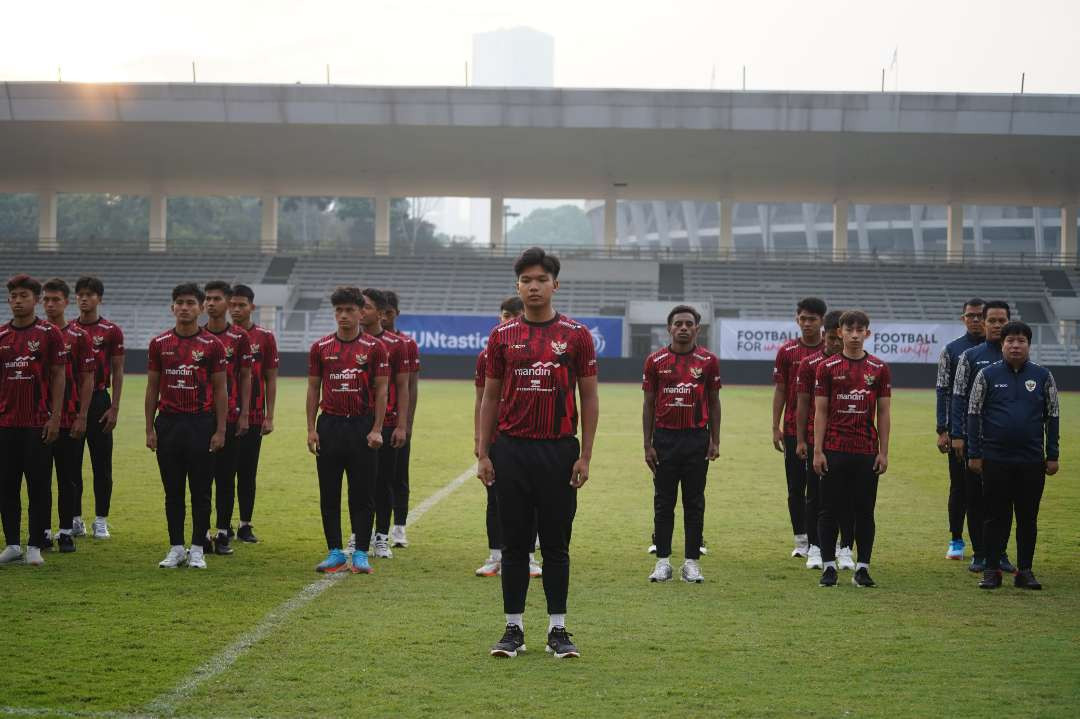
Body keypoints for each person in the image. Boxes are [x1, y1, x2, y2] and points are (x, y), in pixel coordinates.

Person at [478, 247, 599, 660]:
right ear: (518, 286)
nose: (533, 286)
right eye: (526, 280)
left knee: (556, 546)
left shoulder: (577, 335)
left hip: (558, 450)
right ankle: (513, 628)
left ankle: (558, 630)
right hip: (511, 451)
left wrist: (585, 455)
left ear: (555, 284)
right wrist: (484, 453)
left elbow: (590, 396)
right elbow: (490, 397)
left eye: (541, 280)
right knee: (514, 546)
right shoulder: (501, 336)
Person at [967, 321, 1059, 590]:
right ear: (1003, 344)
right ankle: (992, 570)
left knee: (1028, 518)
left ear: (1028, 345)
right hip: (995, 459)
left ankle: (1025, 571)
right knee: (995, 517)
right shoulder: (987, 375)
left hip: (1031, 461)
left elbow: (1052, 416)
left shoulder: (1043, 376)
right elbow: (973, 415)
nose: (1015, 345)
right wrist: (974, 453)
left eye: (1021, 341)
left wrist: (1052, 454)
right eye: (1010, 341)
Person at [145, 283, 228, 570]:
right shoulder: (159, 344)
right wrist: (149, 428)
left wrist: (220, 430)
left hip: (200, 424)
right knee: (173, 491)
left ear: (201, 307)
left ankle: (197, 549)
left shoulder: (213, 346)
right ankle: (176, 547)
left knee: (202, 490)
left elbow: (220, 390)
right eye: (179, 302)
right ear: (172, 307)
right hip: (168, 423)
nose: (184, 307)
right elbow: (152, 387)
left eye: (190, 303)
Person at [306, 287, 388, 575]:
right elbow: (313, 387)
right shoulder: (321, 347)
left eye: (349, 310)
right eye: (338, 310)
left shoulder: (375, 348)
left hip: (361, 426)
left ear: (360, 312)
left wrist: (377, 428)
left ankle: (361, 553)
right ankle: (334, 551)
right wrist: (310, 429)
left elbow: (381, 391)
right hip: (329, 425)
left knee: (362, 494)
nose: (344, 315)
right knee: (329, 492)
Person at [642, 305, 721, 584]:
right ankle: (662, 562)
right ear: (670, 328)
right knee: (663, 503)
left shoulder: (708, 361)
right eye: (679, 324)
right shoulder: (655, 360)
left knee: (694, 502)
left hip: (696, 439)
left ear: (697, 329)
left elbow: (713, 401)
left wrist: (715, 439)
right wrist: (647, 444)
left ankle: (691, 563)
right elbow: (649, 403)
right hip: (664, 439)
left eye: (689, 324)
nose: (684, 328)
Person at [813, 310, 891, 588]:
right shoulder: (827, 368)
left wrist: (883, 451)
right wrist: (818, 450)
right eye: (850, 330)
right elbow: (820, 411)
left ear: (867, 333)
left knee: (864, 510)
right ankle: (829, 567)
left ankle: (863, 568)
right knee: (828, 510)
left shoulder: (879, 368)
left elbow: (883, 412)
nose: (855, 335)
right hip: (834, 449)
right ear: (840, 333)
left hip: (866, 451)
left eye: (861, 330)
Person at [473, 296, 541, 579]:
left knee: (532, 500)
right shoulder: (488, 355)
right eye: (504, 315)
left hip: (531, 438)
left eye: (514, 315)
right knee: (496, 499)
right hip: (498, 439)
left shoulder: (539, 351)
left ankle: (527, 557)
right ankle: (496, 555)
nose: (508, 320)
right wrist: (480, 441)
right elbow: (481, 400)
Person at [0, 275, 66, 566]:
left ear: (36, 300)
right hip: (5, 424)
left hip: (37, 421)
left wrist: (55, 417)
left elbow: (59, 375)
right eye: (13, 295)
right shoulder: (1, 336)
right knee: (6, 486)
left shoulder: (49, 334)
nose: (17, 300)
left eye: (23, 295)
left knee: (39, 485)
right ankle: (13, 543)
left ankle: (35, 545)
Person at [950, 300, 1016, 574]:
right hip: (976, 441)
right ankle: (979, 553)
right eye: (993, 321)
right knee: (975, 499)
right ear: (984, 323)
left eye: (1003, 321)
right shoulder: (971, 356)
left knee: (1004, 500)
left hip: (1008, 445)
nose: (998, 325)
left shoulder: (1015, 359)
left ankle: (999, 553)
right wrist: (957, 434)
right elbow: (958, 397)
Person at [794, 309, 854, 570]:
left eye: (836, 339)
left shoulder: (857, 365)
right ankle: (815, 548)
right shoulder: (810, 364)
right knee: (815, 496)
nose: (833, 344)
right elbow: (803, 404)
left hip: (849, 441)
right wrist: (801, 440)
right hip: (819, 440)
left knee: (847, 498)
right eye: (829, 339)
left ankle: (845, 547)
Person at [42, 279, 95, 554]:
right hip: (37, 419)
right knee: (39, 480)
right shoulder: (35, 334)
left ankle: (65, 532)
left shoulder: (78, 336)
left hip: (69, 418)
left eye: (56, 300)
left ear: (66, 302)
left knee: (68, 478)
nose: (50, 305)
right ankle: (42, 532)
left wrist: (82, 415)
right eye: (46, 300)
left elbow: (88, 379)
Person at [772, 297, 826, 559]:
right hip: (794, 429)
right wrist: (775, 426)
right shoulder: (787, 352)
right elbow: (781, 389)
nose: (807, 324)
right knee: (796, 487)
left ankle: (821, 538)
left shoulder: (832, 350)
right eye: (803, 318)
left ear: (822, 321)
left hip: (827, 431)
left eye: (812, 319)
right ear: (797, 319)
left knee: (823, 488)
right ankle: (801, 539)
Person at [203, 281, 253, 556]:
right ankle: (202, 533)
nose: (211, 303)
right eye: (207, 299)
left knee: (225, 477)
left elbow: (246, 376)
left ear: (227, 303)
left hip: (231, 416)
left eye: (217, 299)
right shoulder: (195, 337)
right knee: (201, 478)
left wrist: (245, 413)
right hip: (198, 417)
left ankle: (222, 531)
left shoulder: (238, 338)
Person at [359, 288, 409, 560]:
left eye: (365, 306)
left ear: (379, 311)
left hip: (387, 423)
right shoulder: (350, 342)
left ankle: (381, 536)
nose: (360, 311)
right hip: (356, 422)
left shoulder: (396, 344)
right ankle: (359, 534)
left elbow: (403, 388)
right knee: (360, 483)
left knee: (384, 483)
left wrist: (402, 425)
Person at [73, 276, 125, 539]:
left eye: (90, 294)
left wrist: (114, 408)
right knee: (70, 464)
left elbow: (118, 370)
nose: (84, 298)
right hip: (72, 402)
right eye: (80, 294)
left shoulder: (111, 331)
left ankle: (101, 520)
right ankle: (74, 518)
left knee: (101, 465)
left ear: (99, 299)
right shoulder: (68, 330)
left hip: (99, 400)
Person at [935, 298, 985, 561]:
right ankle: (956, 539)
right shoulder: (952, 350)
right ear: (963, 318)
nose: (975, 320)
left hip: (992, 434)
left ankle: (989, 545)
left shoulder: (1001, 349)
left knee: (991, 491)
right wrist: (943, 429)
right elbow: (943, 389)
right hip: (960, 434)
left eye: (980, 316)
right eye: (970, 315)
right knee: (960, 487)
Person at [228, 284, 278, 543]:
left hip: (255, 415)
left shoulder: (265, 338)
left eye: (242, 305)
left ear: (252, 307)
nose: (237, 310)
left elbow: (270, 377)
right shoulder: (216, 337)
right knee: (221, 473)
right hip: (222, 415)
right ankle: (222, 525)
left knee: (247, 472)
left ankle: (245, 524)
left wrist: (269, 415)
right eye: (233, 305)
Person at [381, 290, 420, 548]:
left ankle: (399, 527)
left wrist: (408, 422)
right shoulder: (364, 343)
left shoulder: (406, 344)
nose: (384, 317)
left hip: (397, 421)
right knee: (373, 477)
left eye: (389, 312)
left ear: (397, 313)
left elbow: (412, 386)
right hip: (371, 421)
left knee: (398, 475)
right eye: (380, 311)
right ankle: (371, 530)